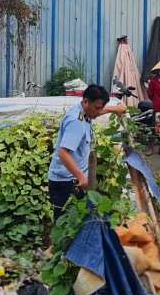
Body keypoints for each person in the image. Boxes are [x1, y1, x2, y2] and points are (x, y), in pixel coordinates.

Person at [47, 84, 127, 212]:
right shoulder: (76, 122)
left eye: (101, 108)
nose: (99, 112)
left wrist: (114, 109)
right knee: (66, 221)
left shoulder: (84, 113)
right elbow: (63, 153)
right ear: (85, 101)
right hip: (66, 183)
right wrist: (81, 177)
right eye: (97, 108)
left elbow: (94, 113)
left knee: (79, 218)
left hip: (72, 179)